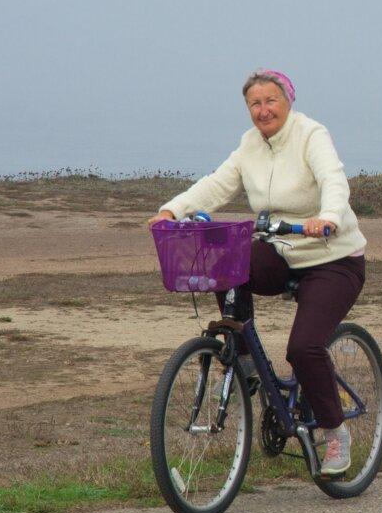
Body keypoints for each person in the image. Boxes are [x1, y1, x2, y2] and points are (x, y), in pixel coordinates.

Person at [148, 69, 367, 476]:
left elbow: (333, 179)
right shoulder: (250, 144)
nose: (263, 110)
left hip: (332, 257)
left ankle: (335, 433)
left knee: (303, 348)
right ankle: (245, 362)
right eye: (255, 103)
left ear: (288, 101)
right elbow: (217, 184)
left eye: (271, 101)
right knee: (225, 264)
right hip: (283, 250)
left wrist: (328, 217)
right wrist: (172, 210)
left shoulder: (311, 135)